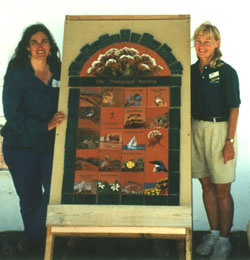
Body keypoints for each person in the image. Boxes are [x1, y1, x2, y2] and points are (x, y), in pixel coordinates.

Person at [1, 23, 66, 254]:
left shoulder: (59, 69)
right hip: (20, 146)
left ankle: (37, 239)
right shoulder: (17, 72)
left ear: (51, 45)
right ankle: (33, 244)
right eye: (34, 42)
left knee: (52, 195)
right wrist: (45, 125)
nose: (40, 46)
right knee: (30, 199)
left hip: (49, 146)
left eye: (44, 41)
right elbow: (12, 115)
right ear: (27, 47)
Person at [191, 22, 240, 260]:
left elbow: (234, 108)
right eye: (198, 41)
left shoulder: (227, 72)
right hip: (196, 129)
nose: (201, 46)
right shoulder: (191, 71)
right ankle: (212, 233)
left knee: (222, 190)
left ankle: (224, 239)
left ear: (216, 43)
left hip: (220, 131)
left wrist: (229, 141)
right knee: (206, 186)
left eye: (207, 42)